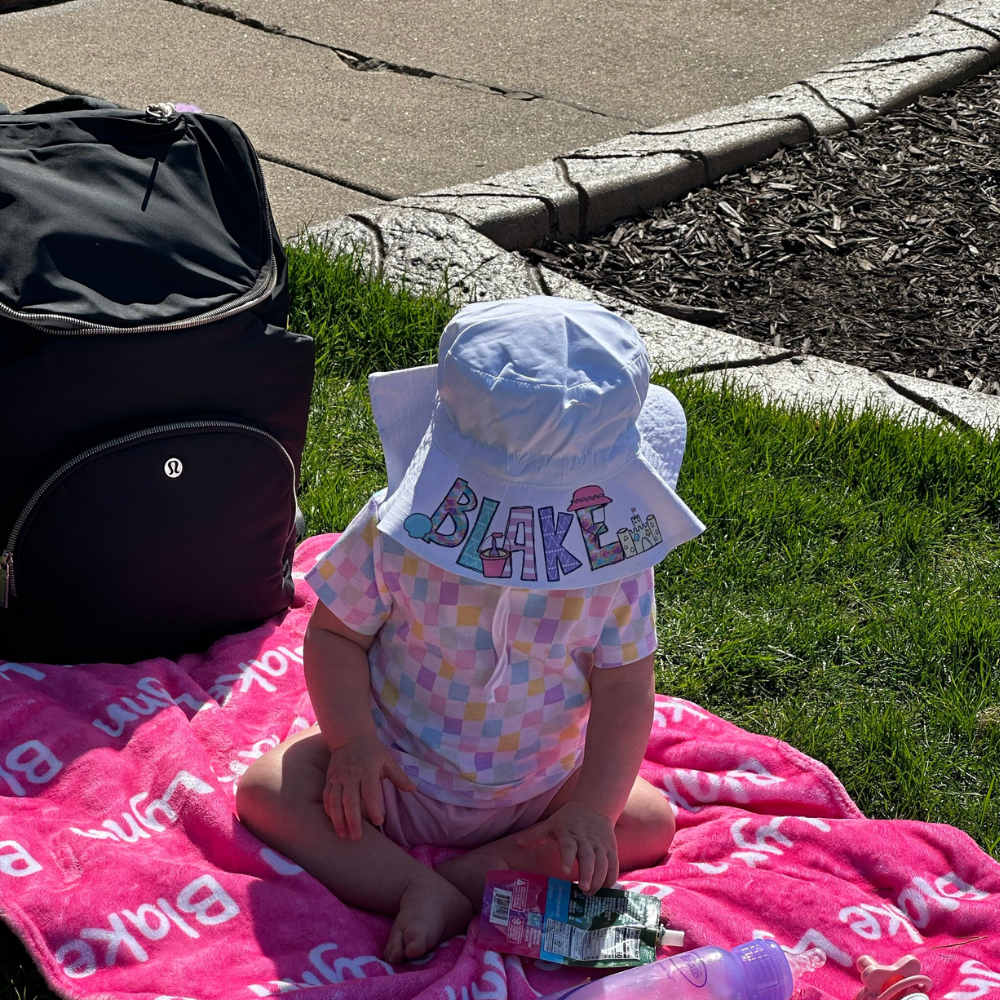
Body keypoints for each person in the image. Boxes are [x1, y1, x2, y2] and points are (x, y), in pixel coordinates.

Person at [236, 296, 705, 964]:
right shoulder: (396, 528)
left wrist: (591, 811)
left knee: (646, 820)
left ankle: (457, 881)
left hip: (541, 790)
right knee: (269, 788)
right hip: (392, 776)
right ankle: (417, 883)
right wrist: (352, 745)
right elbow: (338, 636)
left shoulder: (614, 562)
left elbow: (627, 684)